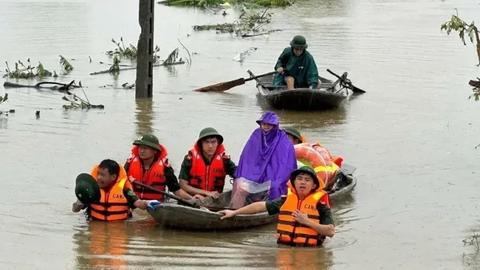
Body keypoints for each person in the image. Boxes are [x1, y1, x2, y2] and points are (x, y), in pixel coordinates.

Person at [220, 166, 335, 247]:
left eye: (307, 180)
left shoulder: (321, 205)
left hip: (310, 252)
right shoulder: (285, 200)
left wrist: (307, 222)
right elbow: (260, 206)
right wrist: (234, 212)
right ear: (294, 183)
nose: (302, 182)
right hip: (284, 249)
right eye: (299, 179)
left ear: (314, 185)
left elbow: (330, 231)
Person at [232, 111, 296, 206]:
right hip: (254, 174)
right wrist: (249, 176)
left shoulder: (283, 140)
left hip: (273, 176)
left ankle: (267, 208)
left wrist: (272, 178)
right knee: (239, 183)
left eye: (269, 124)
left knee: (275, 187)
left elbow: (284, 165)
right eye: (264, 124)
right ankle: (234, 210)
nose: (266, 127)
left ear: (275, 126)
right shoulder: (256, 135)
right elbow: (247, 159)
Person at [72, 159, 159, 221]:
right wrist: (79, 202)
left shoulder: (124, 189)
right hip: (95, 223)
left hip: (119, 226)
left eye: (102, 175)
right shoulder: (91, 188)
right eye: (98, 174)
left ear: (113, 177)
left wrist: (147, 203)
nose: (98, 177)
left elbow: (138, 203)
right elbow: (74, 210)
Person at [124, 134, 198, 203]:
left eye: (145, 148)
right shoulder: (130, 163)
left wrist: (192, 199)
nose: (141, 151)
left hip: (155, 205)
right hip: (133, 202)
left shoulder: (165, 168)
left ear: (155, 151)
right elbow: (120, 182)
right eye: (140, 148)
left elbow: (176, 190)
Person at [179, 127, 236, 199]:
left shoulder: (225, 160)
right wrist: (206, 193)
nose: (210, 146)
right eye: (206, 142)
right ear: (201, 144)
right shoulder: (190, 159)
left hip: (214, 201)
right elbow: (182, 185)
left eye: (213, 142)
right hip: (193, 198)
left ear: (218, 143)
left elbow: (239, 175)